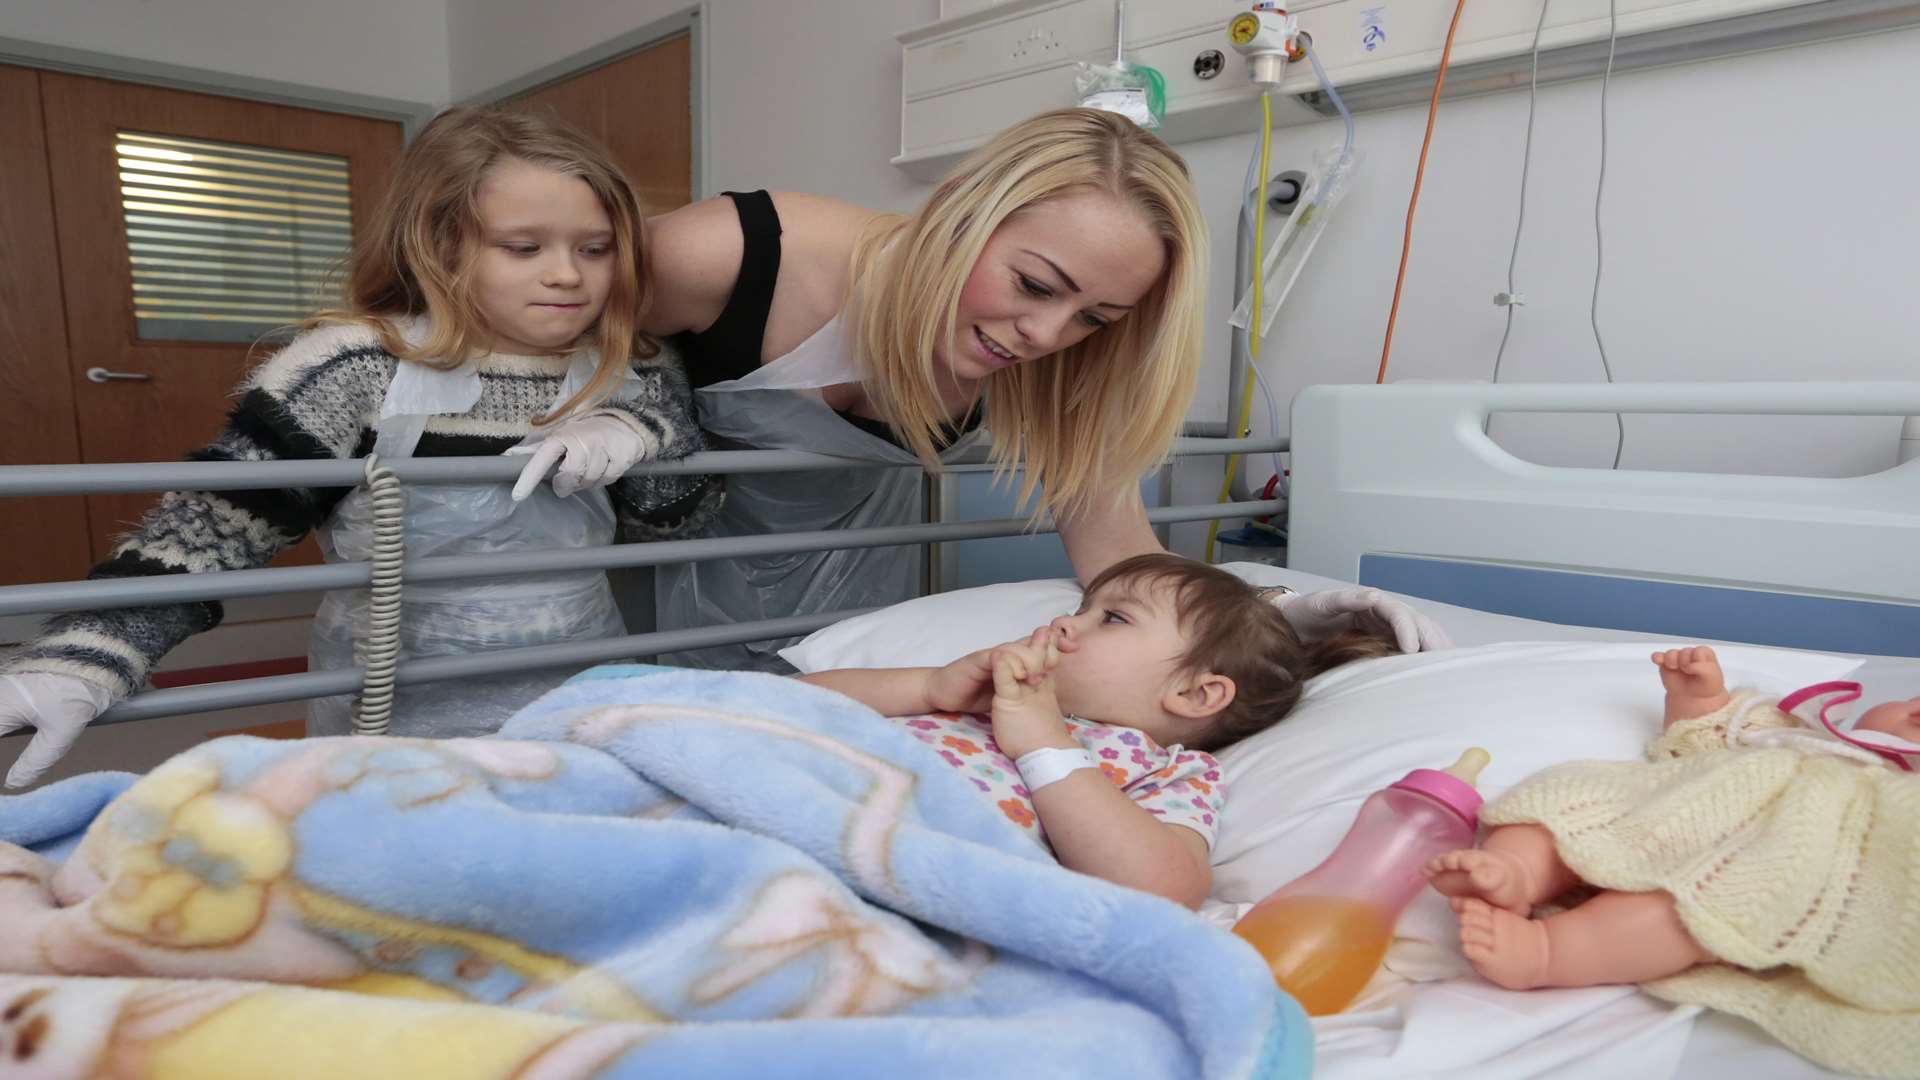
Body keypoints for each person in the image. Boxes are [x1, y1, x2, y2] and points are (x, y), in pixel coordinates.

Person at [0, 108, 715, 787]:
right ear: (437, 245)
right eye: (524, 247)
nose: (568, 274)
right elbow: (218, 526)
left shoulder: (635, 364)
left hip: (576, 671)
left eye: (595, 249)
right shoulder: (354, 366)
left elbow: (673, 522)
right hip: (390, 686)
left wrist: (643, 431)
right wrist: (86, 655)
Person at [643, 107, 1447, 670]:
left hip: (840, 627)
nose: (1046, 335)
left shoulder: (1064, 369)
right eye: (1032, 282)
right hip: (617, 593)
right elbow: (536, 358)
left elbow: (1118, 553)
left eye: (1094, 316)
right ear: (958, 209)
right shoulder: (730, 255)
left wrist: (1272, 608)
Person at [1424, 646, 1920, 1077]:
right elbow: (1696, 744)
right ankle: (1514, 872)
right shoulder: (1794, 733)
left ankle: (1546, 953)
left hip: (1760, 867)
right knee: (1566, 801)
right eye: (1914, 701)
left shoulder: (1903, 799)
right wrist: (1698, 699)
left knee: (1688, 914)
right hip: (1669, 815)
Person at [801, 554, 1398, 907]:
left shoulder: (1163, 770)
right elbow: (780, 707)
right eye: (1082, 606)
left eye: (1112, 618)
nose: (1064, 621)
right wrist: (929, 688)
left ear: (1195, 693)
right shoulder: (978, 694)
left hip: (876, 873)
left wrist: (1044, 744)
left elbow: (1166, 888)